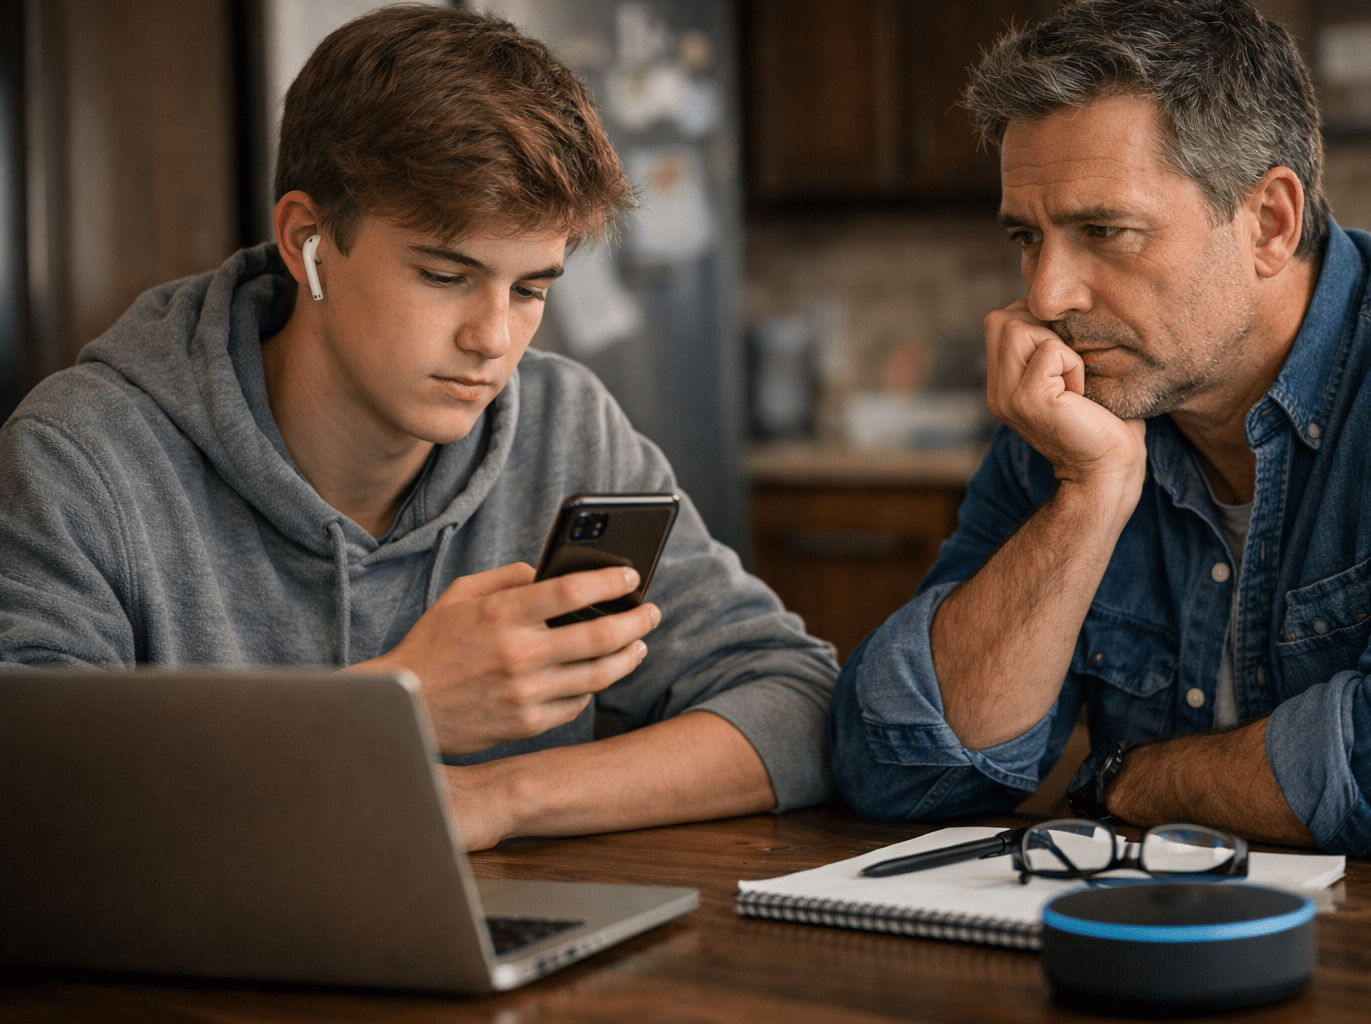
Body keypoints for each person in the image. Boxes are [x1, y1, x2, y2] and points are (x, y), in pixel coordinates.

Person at [0, 5, 838, 851]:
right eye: (446, 274)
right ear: (306, 240)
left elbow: (797, 704)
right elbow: (36, 802)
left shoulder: (564, 426)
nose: (493, 338)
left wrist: (500, 797)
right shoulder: (83, 458)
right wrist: (398, 704)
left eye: (531, 289)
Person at [829, 0, 1371, 867]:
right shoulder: (1082, 409)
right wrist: (1089, 499)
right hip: (1173, 950)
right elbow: (893, 776)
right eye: (1027, 236)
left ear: (1269, 223)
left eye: (1104, 231)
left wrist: (1129, 776)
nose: (1049, 296)